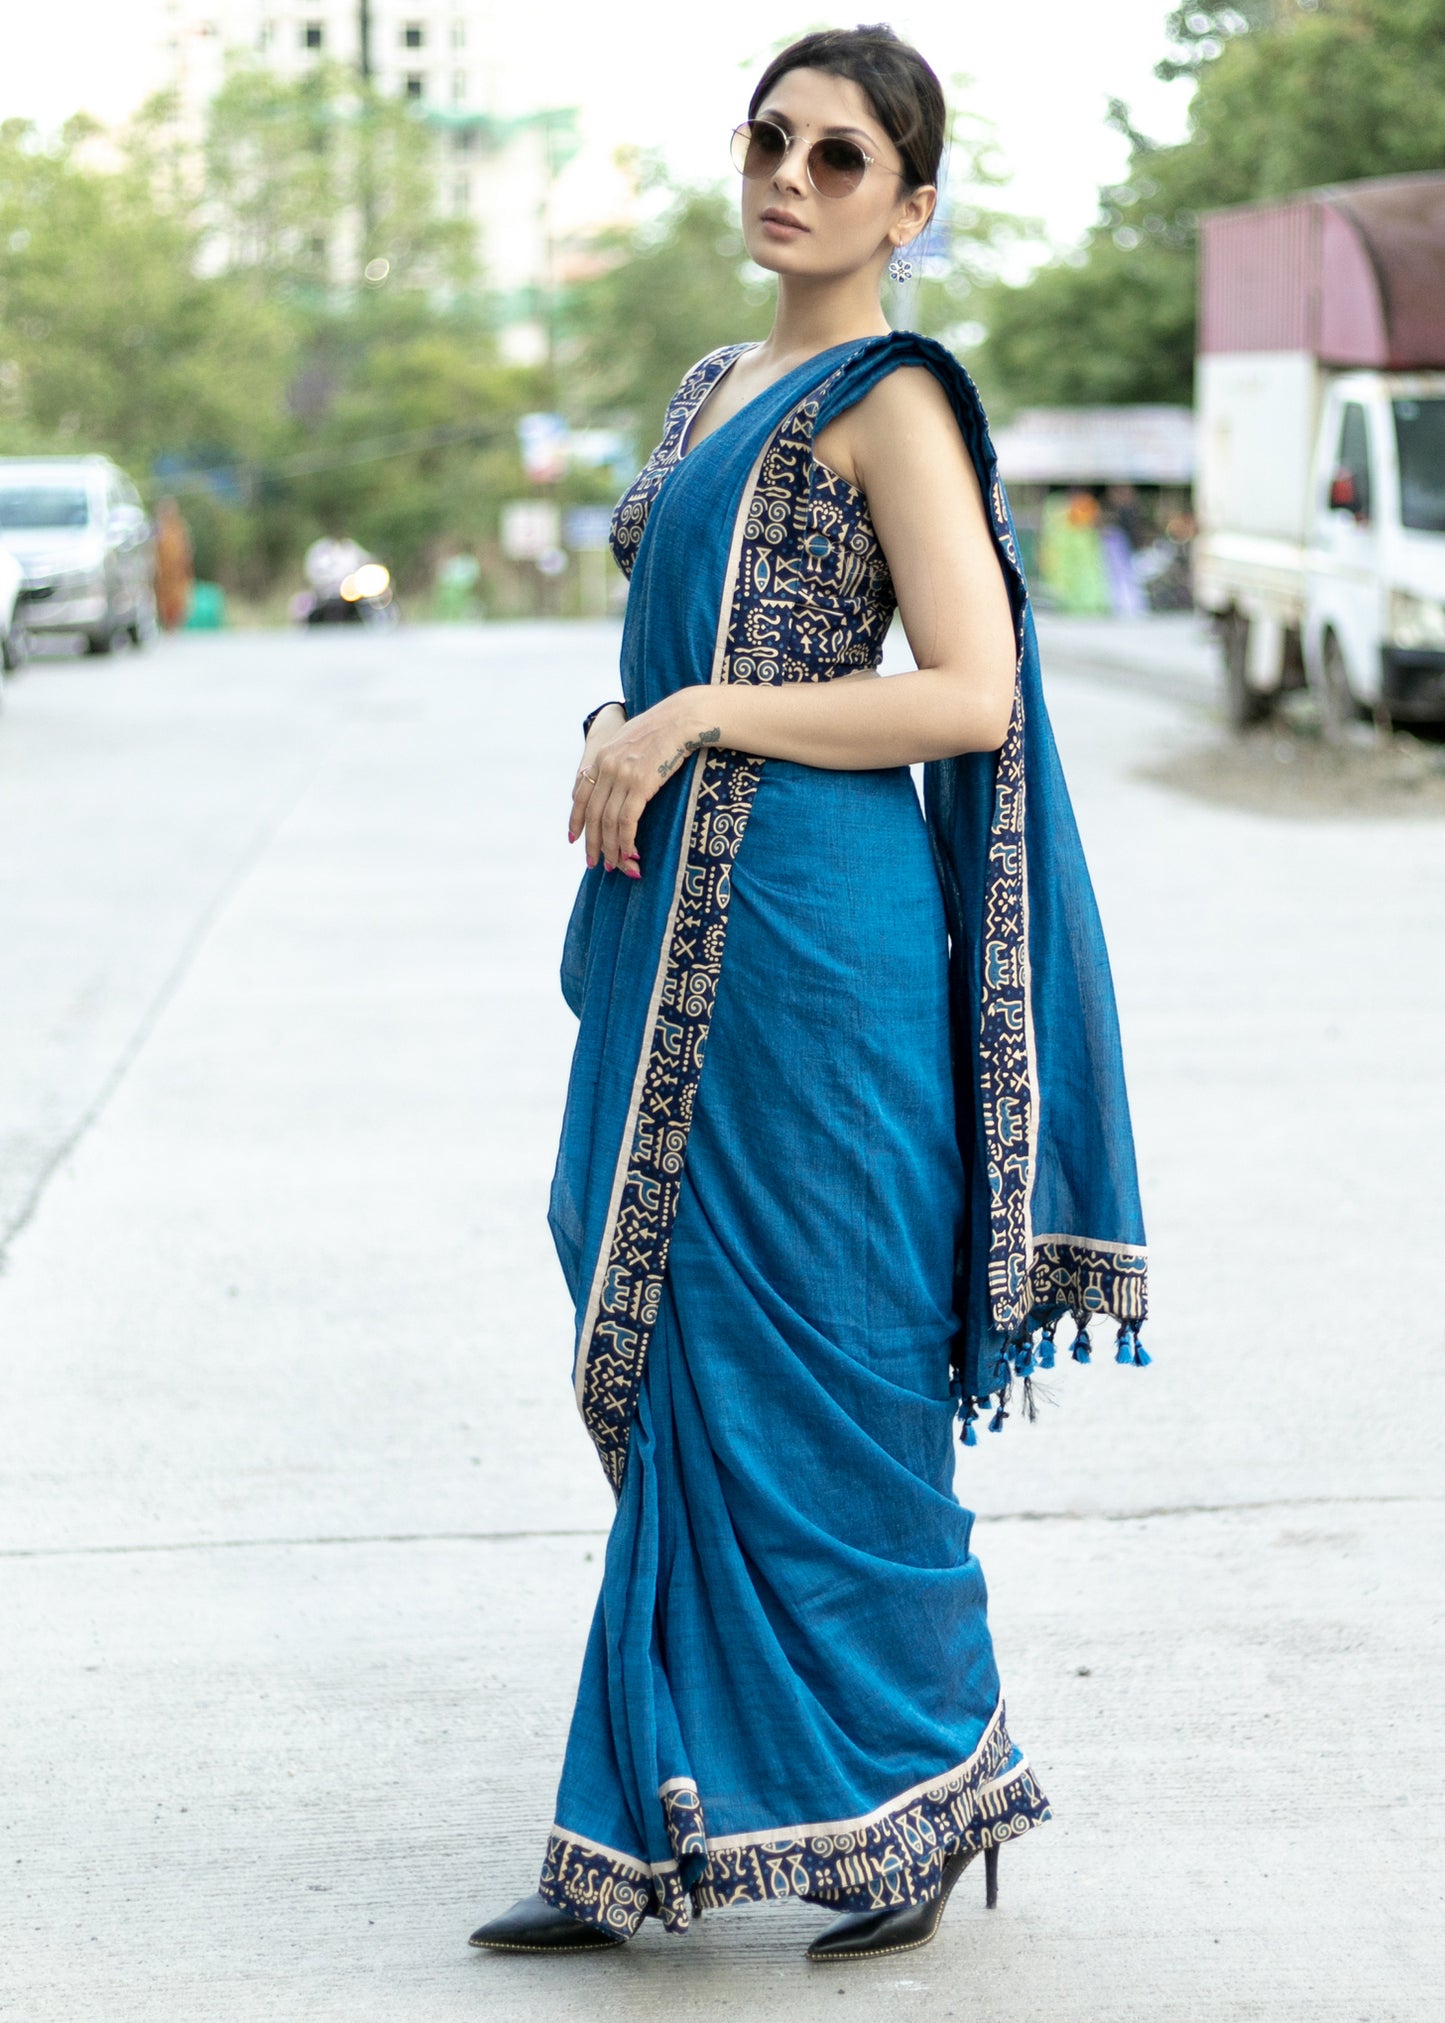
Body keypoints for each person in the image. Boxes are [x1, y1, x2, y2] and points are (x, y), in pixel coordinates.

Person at [469, 24, 1147, 1966]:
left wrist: (693, 713)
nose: (787, 174)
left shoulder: (889, 402)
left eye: (838, 157)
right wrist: (624, 718)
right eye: (766, 139)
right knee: (681, 1348)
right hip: (678, 921)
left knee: (826, 1369)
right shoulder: (710, 385)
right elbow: (668, 640)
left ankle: (923, 1790)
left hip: (817, 955)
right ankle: (647, 1816)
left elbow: (966, 691)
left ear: (906, 207)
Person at [151, 497, 193, 631]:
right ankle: (166, 624)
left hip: (177, 571)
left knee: (179, 597)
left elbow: (186, 548)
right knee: (163, 598)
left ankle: (175, 624)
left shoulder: (180, 527)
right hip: (162, 571)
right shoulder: (158, 528)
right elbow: (152, 548)